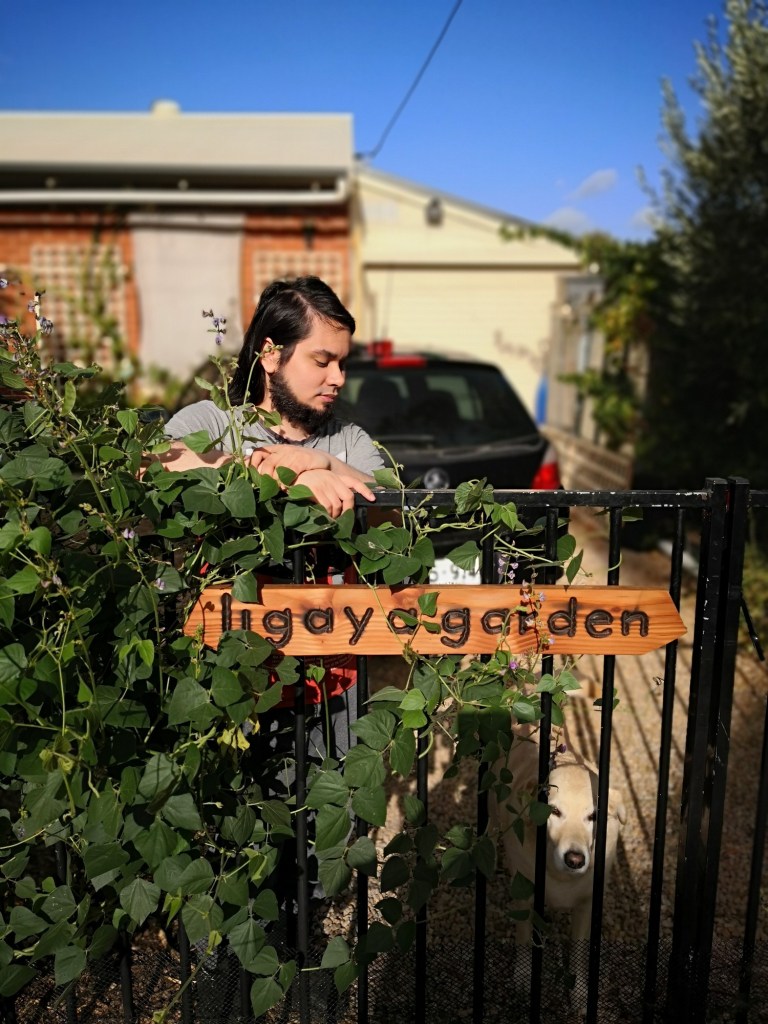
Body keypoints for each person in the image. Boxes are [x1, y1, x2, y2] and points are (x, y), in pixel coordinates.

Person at [161, 275, 385, 517]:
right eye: (322, 362)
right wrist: (287, 478)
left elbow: (397, 517)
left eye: (342, 364)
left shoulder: (349, 441)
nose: (338, 378)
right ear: (270, 355)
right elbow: (150, 462)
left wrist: (329, 464)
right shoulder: (215, 422)